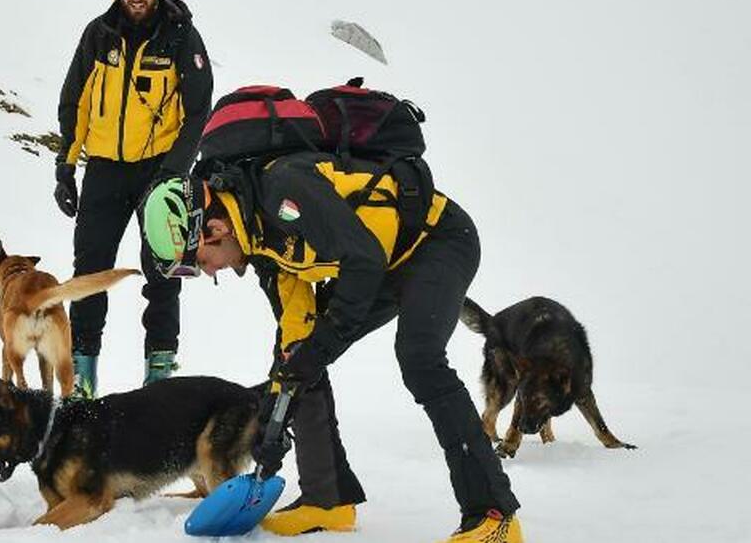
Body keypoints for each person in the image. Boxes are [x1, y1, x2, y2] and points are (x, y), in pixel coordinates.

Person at [140, 154, 524, 542]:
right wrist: (272, 415)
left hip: (435, 241)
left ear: (215, 228)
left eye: (200, 262)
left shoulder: (284, 193)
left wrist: (317, 348)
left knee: (420, 357)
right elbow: (296, 328)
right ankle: (328, 500)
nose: (208, 272)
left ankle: (494, 515)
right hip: (381, 263)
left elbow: (363, 261)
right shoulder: (257, 239)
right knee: (297, 360)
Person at [53, 0, 213, 397]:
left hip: (159, 172)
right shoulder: (98, 34)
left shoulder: (182, 35)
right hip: (104, 169)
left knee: (163, 271)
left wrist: (174, 173)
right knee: (90, 271)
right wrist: (66, 167)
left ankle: (159, 374)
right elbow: (74, 101)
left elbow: (198, 111)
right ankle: (82, 376)